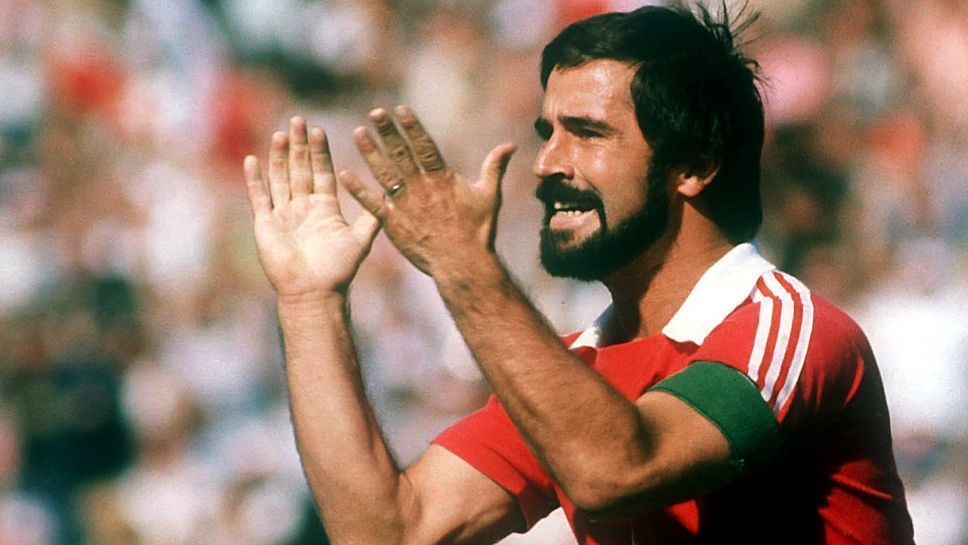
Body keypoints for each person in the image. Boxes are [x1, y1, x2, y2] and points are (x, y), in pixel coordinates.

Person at [242, 4, 914, 545]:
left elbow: (619, 466)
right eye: (547, 131)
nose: (546, 163)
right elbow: (388, 531)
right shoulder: (580, 371)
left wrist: (462, 264)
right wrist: (309, 303)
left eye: (587, 133)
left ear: (694, 165)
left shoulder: (792, 331)